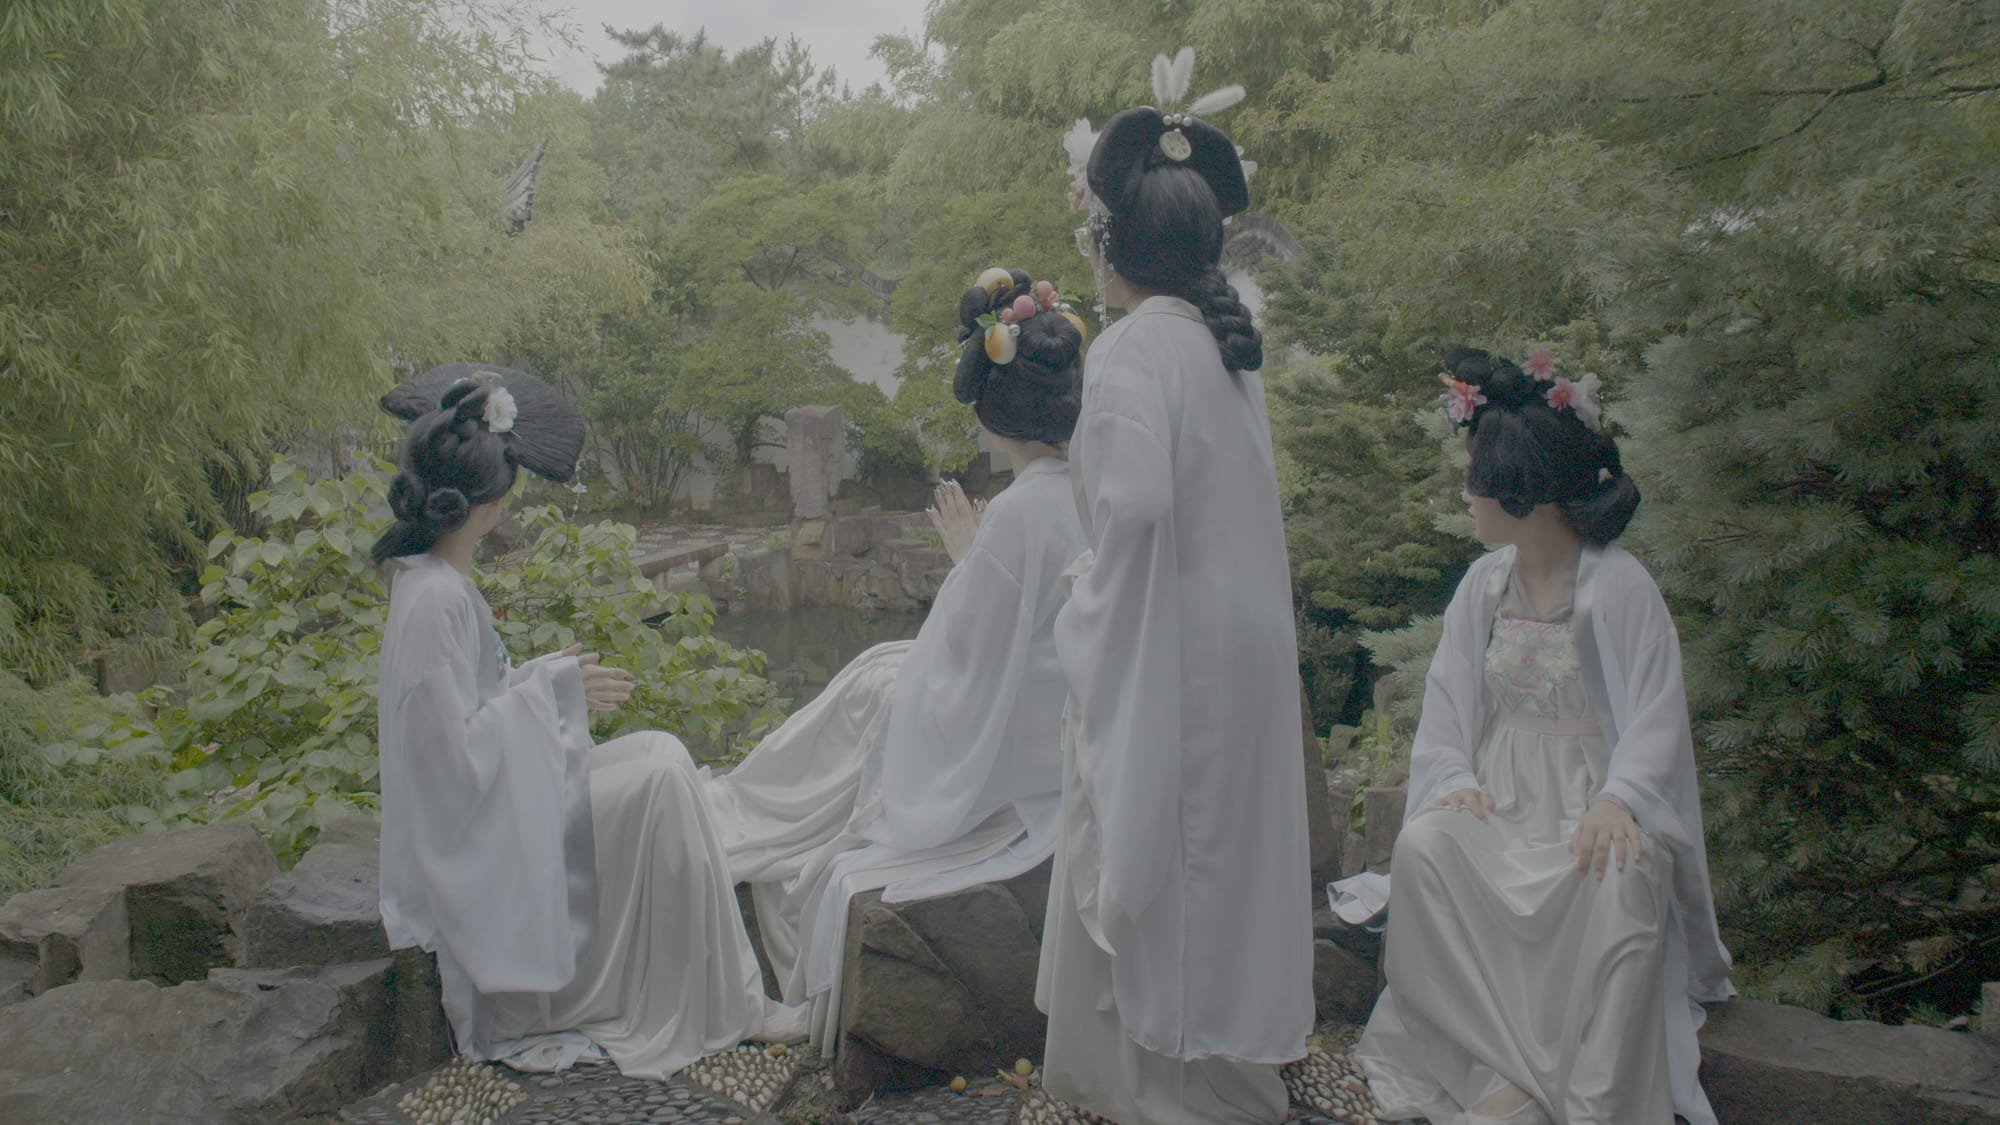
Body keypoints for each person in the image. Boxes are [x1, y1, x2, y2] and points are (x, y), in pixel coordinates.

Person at [697, 267, 1091, 1050]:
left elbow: (965, 657)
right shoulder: (1087, 491)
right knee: (879, 662)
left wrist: (968, 557)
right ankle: (746, 803)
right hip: (1039, 721)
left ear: (993, 411)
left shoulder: (1018, 513)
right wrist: (976, 563)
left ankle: (737, 809)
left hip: (999, 731)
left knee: (875, 681)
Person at [371, 375, 807, 1081]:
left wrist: (542, 679)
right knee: (663, 781)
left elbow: (470, 715)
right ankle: (734, 1004)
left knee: (664, 753)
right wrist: (547, 691)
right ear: (486, 505)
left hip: (491, 808)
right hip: (474, 844)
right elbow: (452, 768)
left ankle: (729, 991)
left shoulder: (434, 582)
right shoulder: (433, 601)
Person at [1351, 349, 1735, 1125]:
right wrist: (1453, 775)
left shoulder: (1621, 586)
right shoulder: (1483, 585)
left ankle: (1581, 1098)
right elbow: (1448, 704)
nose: (1465, 494)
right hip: (1501, 799)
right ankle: (1497, 1069)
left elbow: (1657, 715)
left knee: (1623, 876)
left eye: (1476, 478)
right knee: (1426, 849)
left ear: (1521, 492)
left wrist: (1620, 797)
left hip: (1591, 803)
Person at [1037, 53, 1313, 1124]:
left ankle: (1168, 1080)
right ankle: (1226, 1062)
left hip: (1176, 637)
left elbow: (1136, 507)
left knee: (1164, 836)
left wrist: (1084, 587)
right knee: (1225, 850)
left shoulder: (1129, 352)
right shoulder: (1219, 340)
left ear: (1105, 245)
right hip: (1239, 627)